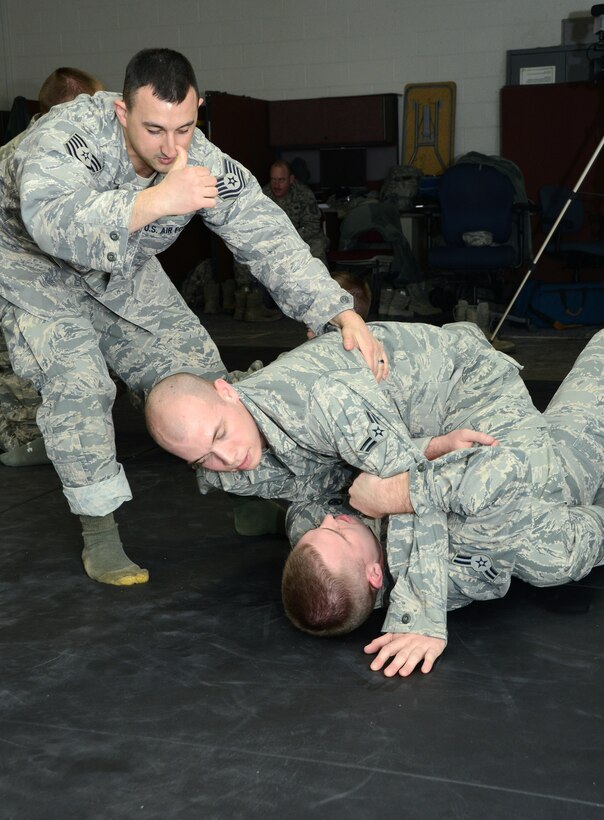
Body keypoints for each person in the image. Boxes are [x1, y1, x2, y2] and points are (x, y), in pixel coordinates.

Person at [0, 47, 385, 588]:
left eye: (183, 128)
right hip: (31, 262)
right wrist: (156, 202)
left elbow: (265, 232)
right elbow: (51, 221)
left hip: (120, 267)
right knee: (79, 384)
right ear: (121, 112)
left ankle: (249, 492)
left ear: (197, 109)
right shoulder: (68, 136)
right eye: (154, 129)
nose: (170, 146)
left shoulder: (198, 156)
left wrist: (335, 310)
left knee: (202, 379)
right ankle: (100, 532)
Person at [281, 330, 604, 676]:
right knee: (553, 558)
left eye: (319, 529)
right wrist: (395, 494)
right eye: (338, 534)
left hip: (486, 425)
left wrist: (430, 448)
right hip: (555, 485)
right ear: (374, 574)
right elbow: (504, 477)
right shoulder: (447, 575)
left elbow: (308, 489)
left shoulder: (319, 540)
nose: (331, 520)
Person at [0, 67, 106, 467]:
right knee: (23, 356)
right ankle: (30, 437)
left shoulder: (78, 151)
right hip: (25, 284)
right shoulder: (37, 155)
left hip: (62, 281)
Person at [232, 160, 329, 321]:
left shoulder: (303, 194)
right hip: (270, 242)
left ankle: (321, 303)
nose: (276, 185)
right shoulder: (262, 195)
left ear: (291, 179)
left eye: (281, 180)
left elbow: (312, 226)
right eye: (273, 180)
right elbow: (253, 226)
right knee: (242, 250)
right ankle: (249, 300)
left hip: (299, 240)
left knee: (318, 247)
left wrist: (288, 242)